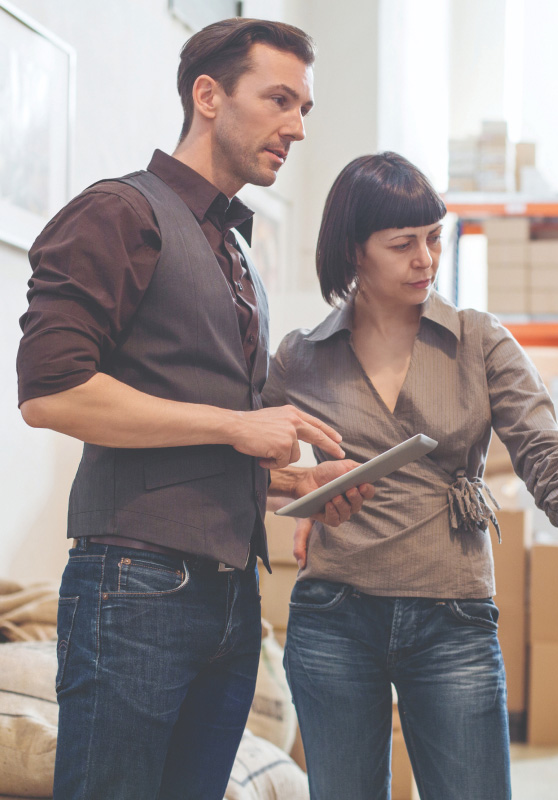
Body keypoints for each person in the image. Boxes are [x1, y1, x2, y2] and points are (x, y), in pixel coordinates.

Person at [16, 18, 373, 800]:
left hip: (228, 594)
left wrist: (288, 488)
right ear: (208, 96)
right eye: (280, 99)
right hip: (135, 585)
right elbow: (51, 392)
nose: (298, 127)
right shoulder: (117, 212)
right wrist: (240, 428)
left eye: (305, 107)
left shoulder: (236, 251)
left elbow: (187, 436)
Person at [262, 152, 558, 800]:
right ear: (354, 252)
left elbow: (550, 456)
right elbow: (256, 466)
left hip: (452, 618)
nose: (426, 259)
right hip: (333, 616)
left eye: (435, 238)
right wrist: (301, 493)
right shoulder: (301, 357)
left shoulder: (478, 340)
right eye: (403, 244)